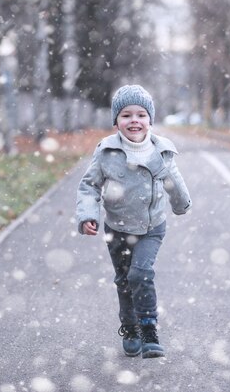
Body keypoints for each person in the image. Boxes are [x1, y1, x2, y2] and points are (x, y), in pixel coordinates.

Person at [76, 84, 192, 358]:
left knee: (140, 274)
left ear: (150, 119)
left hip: (152, 227)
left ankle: (149, 329)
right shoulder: (106, 151)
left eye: (141, 115)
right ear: (116, 121)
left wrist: (181, 204)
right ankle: (129, 328)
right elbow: (89, 186)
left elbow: (173, 180)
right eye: (126, 115)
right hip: (117, 228)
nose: (134, 121)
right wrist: (87, 215)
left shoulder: (161, 150)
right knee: (125, 280)